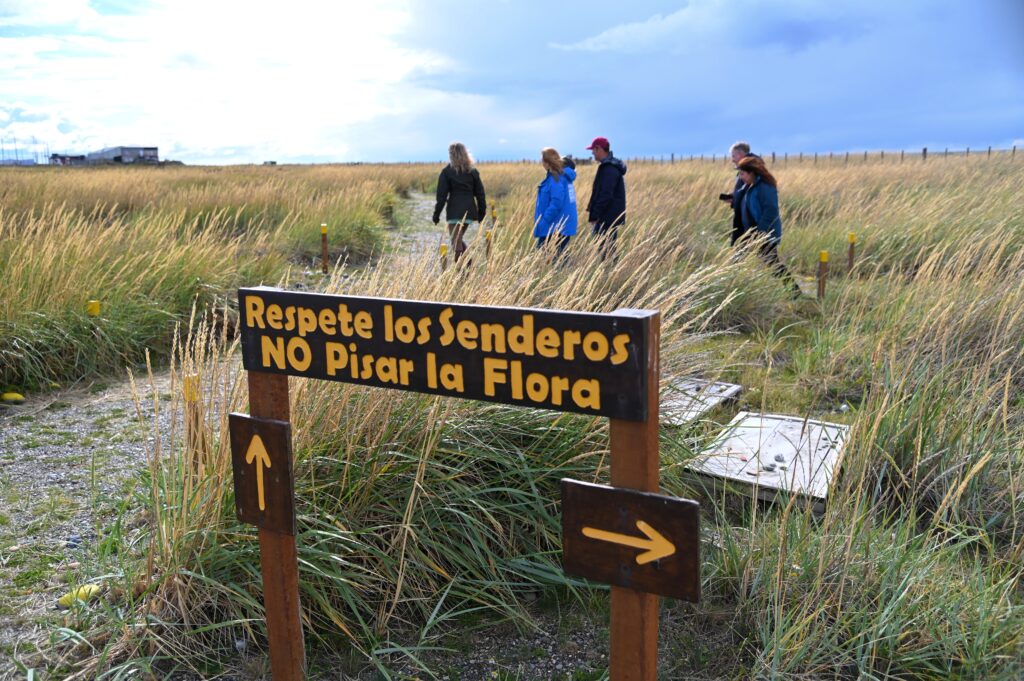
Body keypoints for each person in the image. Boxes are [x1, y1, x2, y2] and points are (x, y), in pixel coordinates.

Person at [736, 155, 800, 293]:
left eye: (742, 174)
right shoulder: (751, 185)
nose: (740, 177)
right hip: (753, 233)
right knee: (747, 261)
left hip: (764, 233)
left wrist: (760, 233)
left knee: (773, 264)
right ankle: (794, 292)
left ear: (751, 172)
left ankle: (794, 292)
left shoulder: (765, 187)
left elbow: (770, 211)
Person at [433, 142, 486, 262]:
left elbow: (441, 196)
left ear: (451, 155)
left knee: (456, 242)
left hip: (454, 212)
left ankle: (463, 272)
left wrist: (436, 214)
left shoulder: (446, 172)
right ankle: (467, 266)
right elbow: (480, 194)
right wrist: (481, 211)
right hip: (469, 211)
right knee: (457, 240)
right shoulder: (473, 172)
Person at [585, 137, 626, 259]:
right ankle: (610, 271)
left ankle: (610, 273)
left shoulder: (609, 168)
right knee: (607, 248)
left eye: (593, 149)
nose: (592, 153)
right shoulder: (608, 166)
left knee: (606, 249)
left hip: (607, 217)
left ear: (599, 149)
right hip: (607, 215)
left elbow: (605, 194)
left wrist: (595, 215)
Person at [533, 147, 578, 257]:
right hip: (558, 226)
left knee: (545, 259)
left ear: (548, 163)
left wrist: (543, 221)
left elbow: (556, 204)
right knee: (558, 260)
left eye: (543, 160)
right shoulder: (560, 177)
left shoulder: (556, 178)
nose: (542, 163)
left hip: (554, 227)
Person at [719, 141, 757, 246]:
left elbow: (752, 194)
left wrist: (735, 199)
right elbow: (744, 192)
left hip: (751, 219)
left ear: (740, 155)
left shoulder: (750, 169)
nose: (732, 159)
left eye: (733, 156)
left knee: (767, 255)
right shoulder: (748, 168)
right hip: (746, 218)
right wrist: (734, 198)